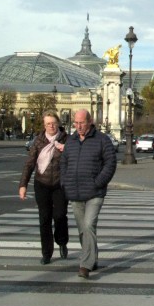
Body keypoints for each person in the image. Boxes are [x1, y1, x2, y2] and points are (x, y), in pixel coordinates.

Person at [60, 109, 117, 279]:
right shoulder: (71, 141)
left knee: (88, 225)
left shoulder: (102, 140)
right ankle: (92, 258)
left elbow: (110, 163)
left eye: (81, 123)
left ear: (90, 121)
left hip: (94, 192)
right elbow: (64, 162)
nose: (78, 126)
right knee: (82, 229)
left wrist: (98, 182)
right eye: (76, 123)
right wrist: (65, 181)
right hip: (75, 191)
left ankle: (85, 265)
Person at [18, 110, 69, 265]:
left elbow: (74, 159)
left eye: (53, 123)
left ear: (58, 123)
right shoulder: (39, 141)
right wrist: (23, 185)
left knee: (60, 216)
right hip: (42, 184)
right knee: (44, 219)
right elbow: (29, 164)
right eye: (48, 123)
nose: (51, 126)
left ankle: (61, 241)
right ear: (44, 125)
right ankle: (46, 253)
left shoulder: (68, 140)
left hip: (60, 184)